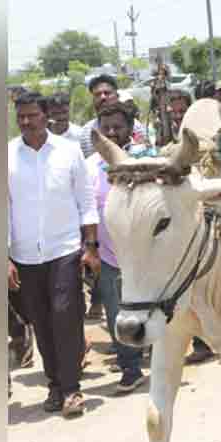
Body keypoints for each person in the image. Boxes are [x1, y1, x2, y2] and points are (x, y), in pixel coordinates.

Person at [8, 92, 99, 417]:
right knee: (41, 321)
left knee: (65, 315)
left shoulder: (68, 151)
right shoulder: (7, 156)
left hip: (64, 249)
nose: (26, 122)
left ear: (46, 116)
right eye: (21, 116)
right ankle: (54, 385)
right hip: (25, 256)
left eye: (32, 115)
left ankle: (72, 389)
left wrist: (90, 247)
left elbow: (86, 200)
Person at [85, 105, 149, 393]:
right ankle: (130, 368)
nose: (111, 132)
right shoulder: (88, 166)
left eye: (117, 127)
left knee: (151, 309)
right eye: (105, 127)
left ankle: (159, 359)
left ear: (131, 127)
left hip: (146, 254)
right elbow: (84, 209)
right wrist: (88, 249)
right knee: (116, 313)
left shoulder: (148, 159)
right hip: (109, 255)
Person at [79, 74, 145, 158]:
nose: (103, 97)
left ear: (117, 95)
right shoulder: (86, 133)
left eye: (107, 93)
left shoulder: (137, 127)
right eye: (97, 94)